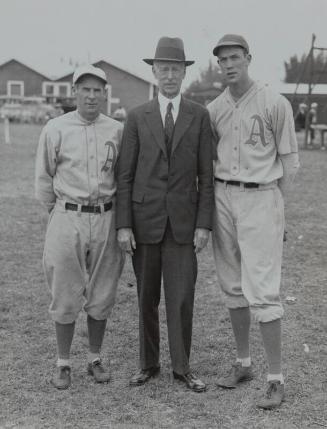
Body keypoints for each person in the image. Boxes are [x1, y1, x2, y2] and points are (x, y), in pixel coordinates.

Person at [116, 37, 214, 392]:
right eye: (164, 68)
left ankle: (183, 367)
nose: (170, 75)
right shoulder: (136, 117)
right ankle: (148, 363)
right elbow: (124, 175)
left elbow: (207, 175)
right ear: (154, 72)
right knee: (145, 297)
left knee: (182, 296)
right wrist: (124, 224)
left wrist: (204, 224)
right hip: (144, 224)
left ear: (184, 73)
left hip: (184, 226)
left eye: (176, 68)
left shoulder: (199, 116)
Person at [207, 34, 300, 409]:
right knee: (231, 283)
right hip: (222, 195)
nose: (228, 64)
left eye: (234, 57)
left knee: (262, 289)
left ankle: (275, 378)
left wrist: (277, 206)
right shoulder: (213, 109)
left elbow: (290, 163)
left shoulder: (275, 102)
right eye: (222, 60)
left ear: (248, 58)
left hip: (261, 195)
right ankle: (243, 363)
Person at [35, 65, 124, 390]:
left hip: (106, 215)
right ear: (75, 92)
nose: (90, 95)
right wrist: (58, 213)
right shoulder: (56, 128)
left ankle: (94, 357)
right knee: (65, 290)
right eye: (84, 89)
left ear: (104, 93)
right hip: (67, 214)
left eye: (97, 90)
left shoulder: (116, 129)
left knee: (102, 292)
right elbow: (44, 177)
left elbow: (123, 175)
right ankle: (63, 362)